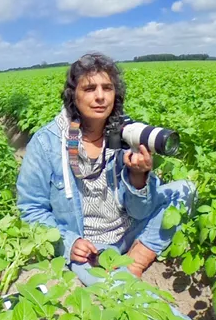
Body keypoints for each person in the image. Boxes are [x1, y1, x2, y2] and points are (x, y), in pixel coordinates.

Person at [17, 52, 196, 286]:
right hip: (90, 247)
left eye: (107, 88)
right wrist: (69, 242)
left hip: (130, 227)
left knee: (185, 190)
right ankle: (120, 274)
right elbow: (31, 209)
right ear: (73, 96)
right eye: (90, 89)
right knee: (130, 301)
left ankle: (136, 262)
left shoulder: (124, 132)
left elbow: (140, 212)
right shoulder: (46, 143)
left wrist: (139, 176)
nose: (100, 97)